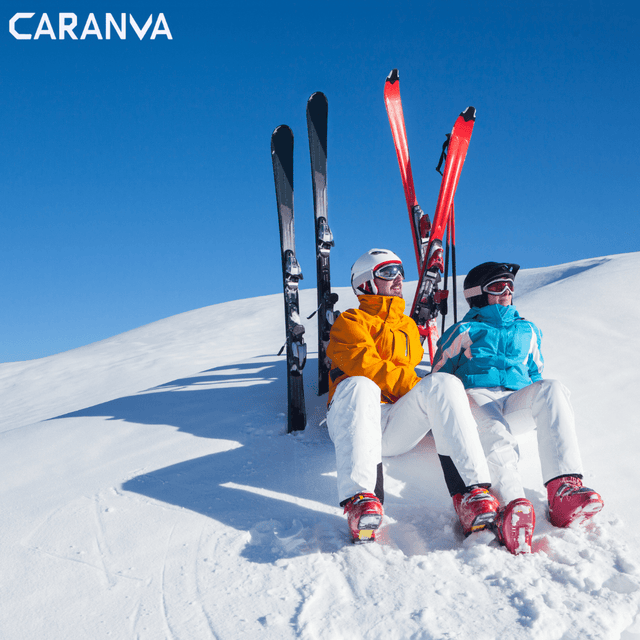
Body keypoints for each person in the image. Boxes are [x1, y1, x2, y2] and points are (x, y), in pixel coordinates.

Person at [326, 248, 503, 546]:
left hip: (394, 424)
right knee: (361, 384)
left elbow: (412, 380)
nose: (397, 279)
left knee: (443, 383)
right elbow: (370, 369)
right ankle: (361, 500)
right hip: (354, 419)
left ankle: (472, 495)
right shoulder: (350, 322)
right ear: (366, 282)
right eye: (386, 272)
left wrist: (434, 399)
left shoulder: (408, 327)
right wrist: (417, 388)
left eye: (399, 272)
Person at [433, 261, 604, 554]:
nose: (506, 292)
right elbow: (439, 375)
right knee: (495, 430)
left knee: (552, 388)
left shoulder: (528, 329)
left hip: (515, 398)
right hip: (476, 395)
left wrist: (536, 394)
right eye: (498, 287)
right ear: (477, 294)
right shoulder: (464, 329)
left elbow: (535, 373)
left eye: (510, 287)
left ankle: (564, 490)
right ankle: (512, 506)